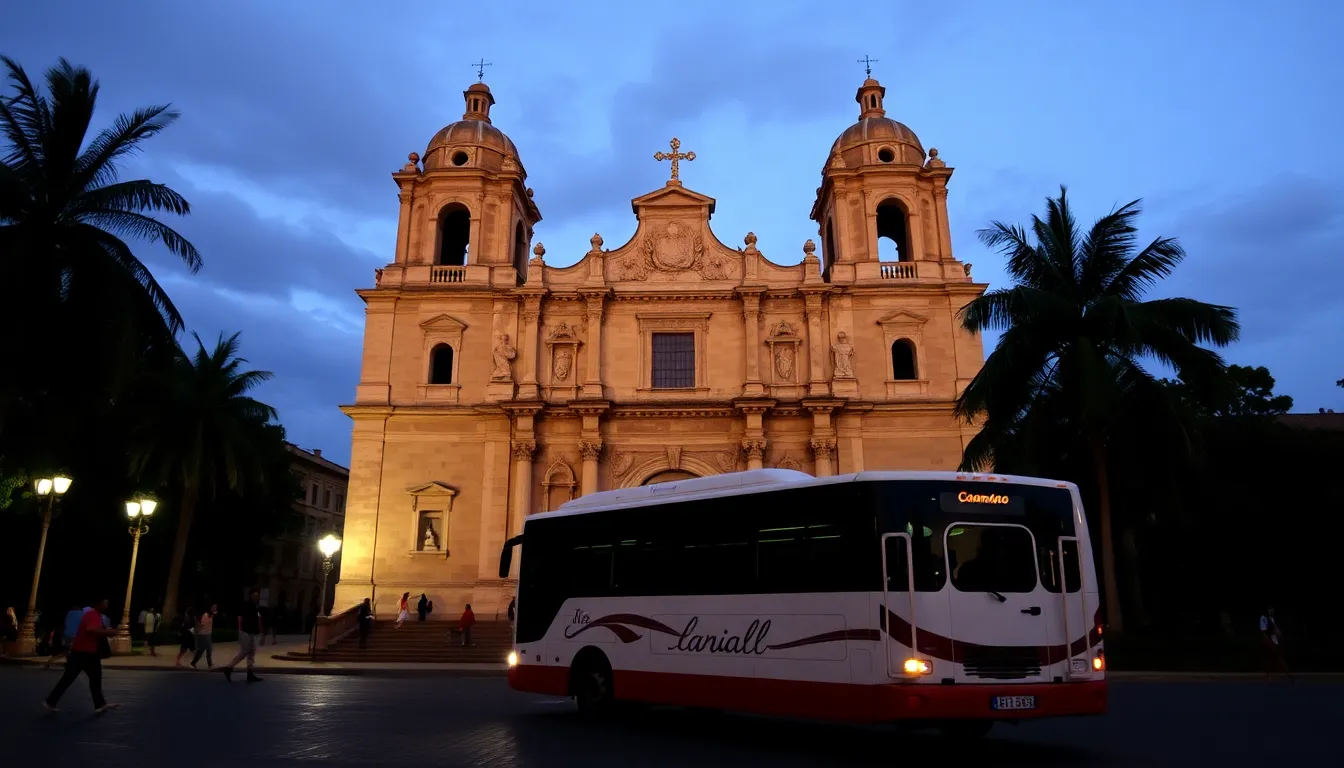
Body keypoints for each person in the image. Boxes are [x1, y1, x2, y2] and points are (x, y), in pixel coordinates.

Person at [44, 598, 119, 714]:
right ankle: (99, 704)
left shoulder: (94, 615)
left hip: (82, 652)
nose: (106, 604)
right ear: (98, 603)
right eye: (105, 602)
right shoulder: (93, 614)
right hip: (86, 652)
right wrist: (110, 632)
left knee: (75, 679)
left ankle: (51, 701)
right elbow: (92, 629)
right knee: (91, 679)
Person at [219, 590, 264, 684]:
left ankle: (249, 673)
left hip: (254, 632)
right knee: (245, 652)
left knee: (251, 653)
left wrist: (261, 631)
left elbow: (259, 618)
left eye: (257, 595)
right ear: (251, 595)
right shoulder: (246, 604)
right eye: (255, 595)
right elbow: (240, 617)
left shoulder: (257, 606)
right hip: (246, 632)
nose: (256, 597)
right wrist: (240, 630)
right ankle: (229, 668)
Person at [1259, 607, 1292, 679]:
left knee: (1273, 658)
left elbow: (1275, 630)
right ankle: (1289, 676)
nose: (1271, 611)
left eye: (1272, 610)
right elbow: (1263, 632)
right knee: (1274, 658)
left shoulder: (1272, 619)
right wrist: (1267, 641)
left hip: (1274, 640)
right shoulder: (1263, 618)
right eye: (1269, 610)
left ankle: (1270, 676)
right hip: (1269, 641)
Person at [192, 605, 216, 669]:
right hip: (203, 635)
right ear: (209, 608)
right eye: (213, 608)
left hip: (207, 634)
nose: (215, 609)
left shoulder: (210, 615)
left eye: (215, 608)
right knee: (203, 650)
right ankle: (195, 662)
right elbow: (201, 625)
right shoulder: (205, 616)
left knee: (207, 649)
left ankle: (209, 664)